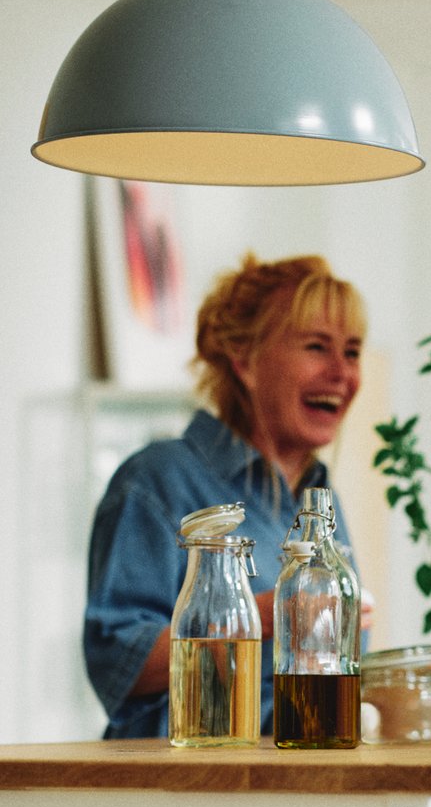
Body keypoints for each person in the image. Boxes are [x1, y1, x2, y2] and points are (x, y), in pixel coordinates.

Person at [84, 253, 368, 739]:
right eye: (317, 347)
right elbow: (117, 660)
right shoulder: (157, 480)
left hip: (294, 788)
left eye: (353, 351)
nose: (342, 373)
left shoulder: (321, 502)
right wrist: (258, 616)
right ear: (245, 360)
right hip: (184, 796)